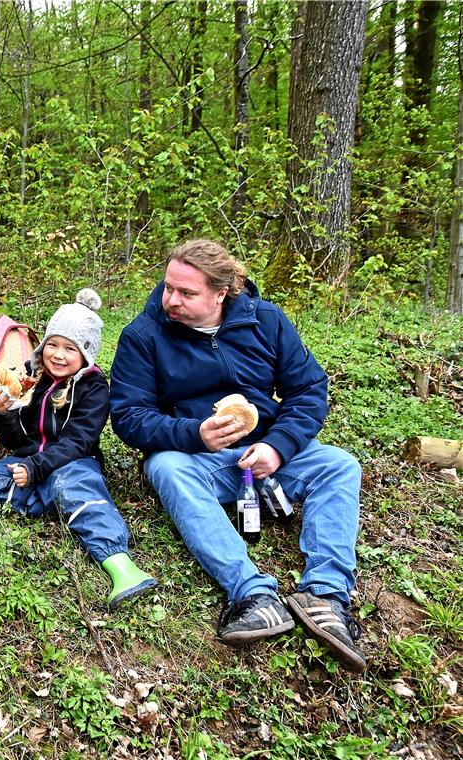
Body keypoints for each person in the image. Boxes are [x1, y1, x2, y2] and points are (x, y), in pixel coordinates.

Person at [108, 239, 365, 673]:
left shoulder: (265, 321)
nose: (171, 300)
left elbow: (308, 389)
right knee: (165, 467)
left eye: (186, 293)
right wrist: (193, 433)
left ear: (221, 292)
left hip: (266, 449)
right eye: (169, 287)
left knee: (340, 465)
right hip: (199, 457)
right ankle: (251, 593)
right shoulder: (143, 336)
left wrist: (278, 447)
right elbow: (129, 417)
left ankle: (326, 596)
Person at [0, 289, 158, 608]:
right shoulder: (32, 378)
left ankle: (123, 568)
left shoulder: (94, 390)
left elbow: (77, 441)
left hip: (73, 462)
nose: (58, 354)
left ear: (86, 353)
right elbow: (18, 441)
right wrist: (5, 413)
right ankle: (56, 502)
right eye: (52, 343)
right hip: (32, 461)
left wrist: (36, 468)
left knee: (74, 487)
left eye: (70, 348)